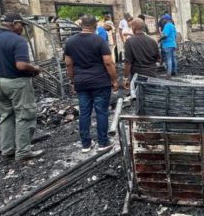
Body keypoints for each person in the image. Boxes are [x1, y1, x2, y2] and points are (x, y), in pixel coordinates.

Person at [0, 12, 43, 162]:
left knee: (5, 116)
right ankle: (23, 152)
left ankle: (7, 150)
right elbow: (20, 65)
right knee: (24, 116)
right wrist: (35, 68)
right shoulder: (18, 41)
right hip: (16, 83)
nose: (22, 28)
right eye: (21, 25)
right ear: (14, 24)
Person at [64, 15, 119, 153]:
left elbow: (68, 64)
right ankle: (103, 142)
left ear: (81, 25)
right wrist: (114, 80)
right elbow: (108, 62)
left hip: (81, 83)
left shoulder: (70, 42)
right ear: (95, 25)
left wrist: (73, 80)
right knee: (101, 111)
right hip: (100, 82)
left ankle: (86, 144)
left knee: (84, 113)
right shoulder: (100, 40)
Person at [123, 18, 160, 86]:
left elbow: (128, 63)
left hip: (138, 77)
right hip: (152, 75)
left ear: (133, 27)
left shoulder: (129, 41)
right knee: (152, 94)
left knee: (139, 95)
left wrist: (125, 78)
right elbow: (158, 59)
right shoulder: (153, 41)